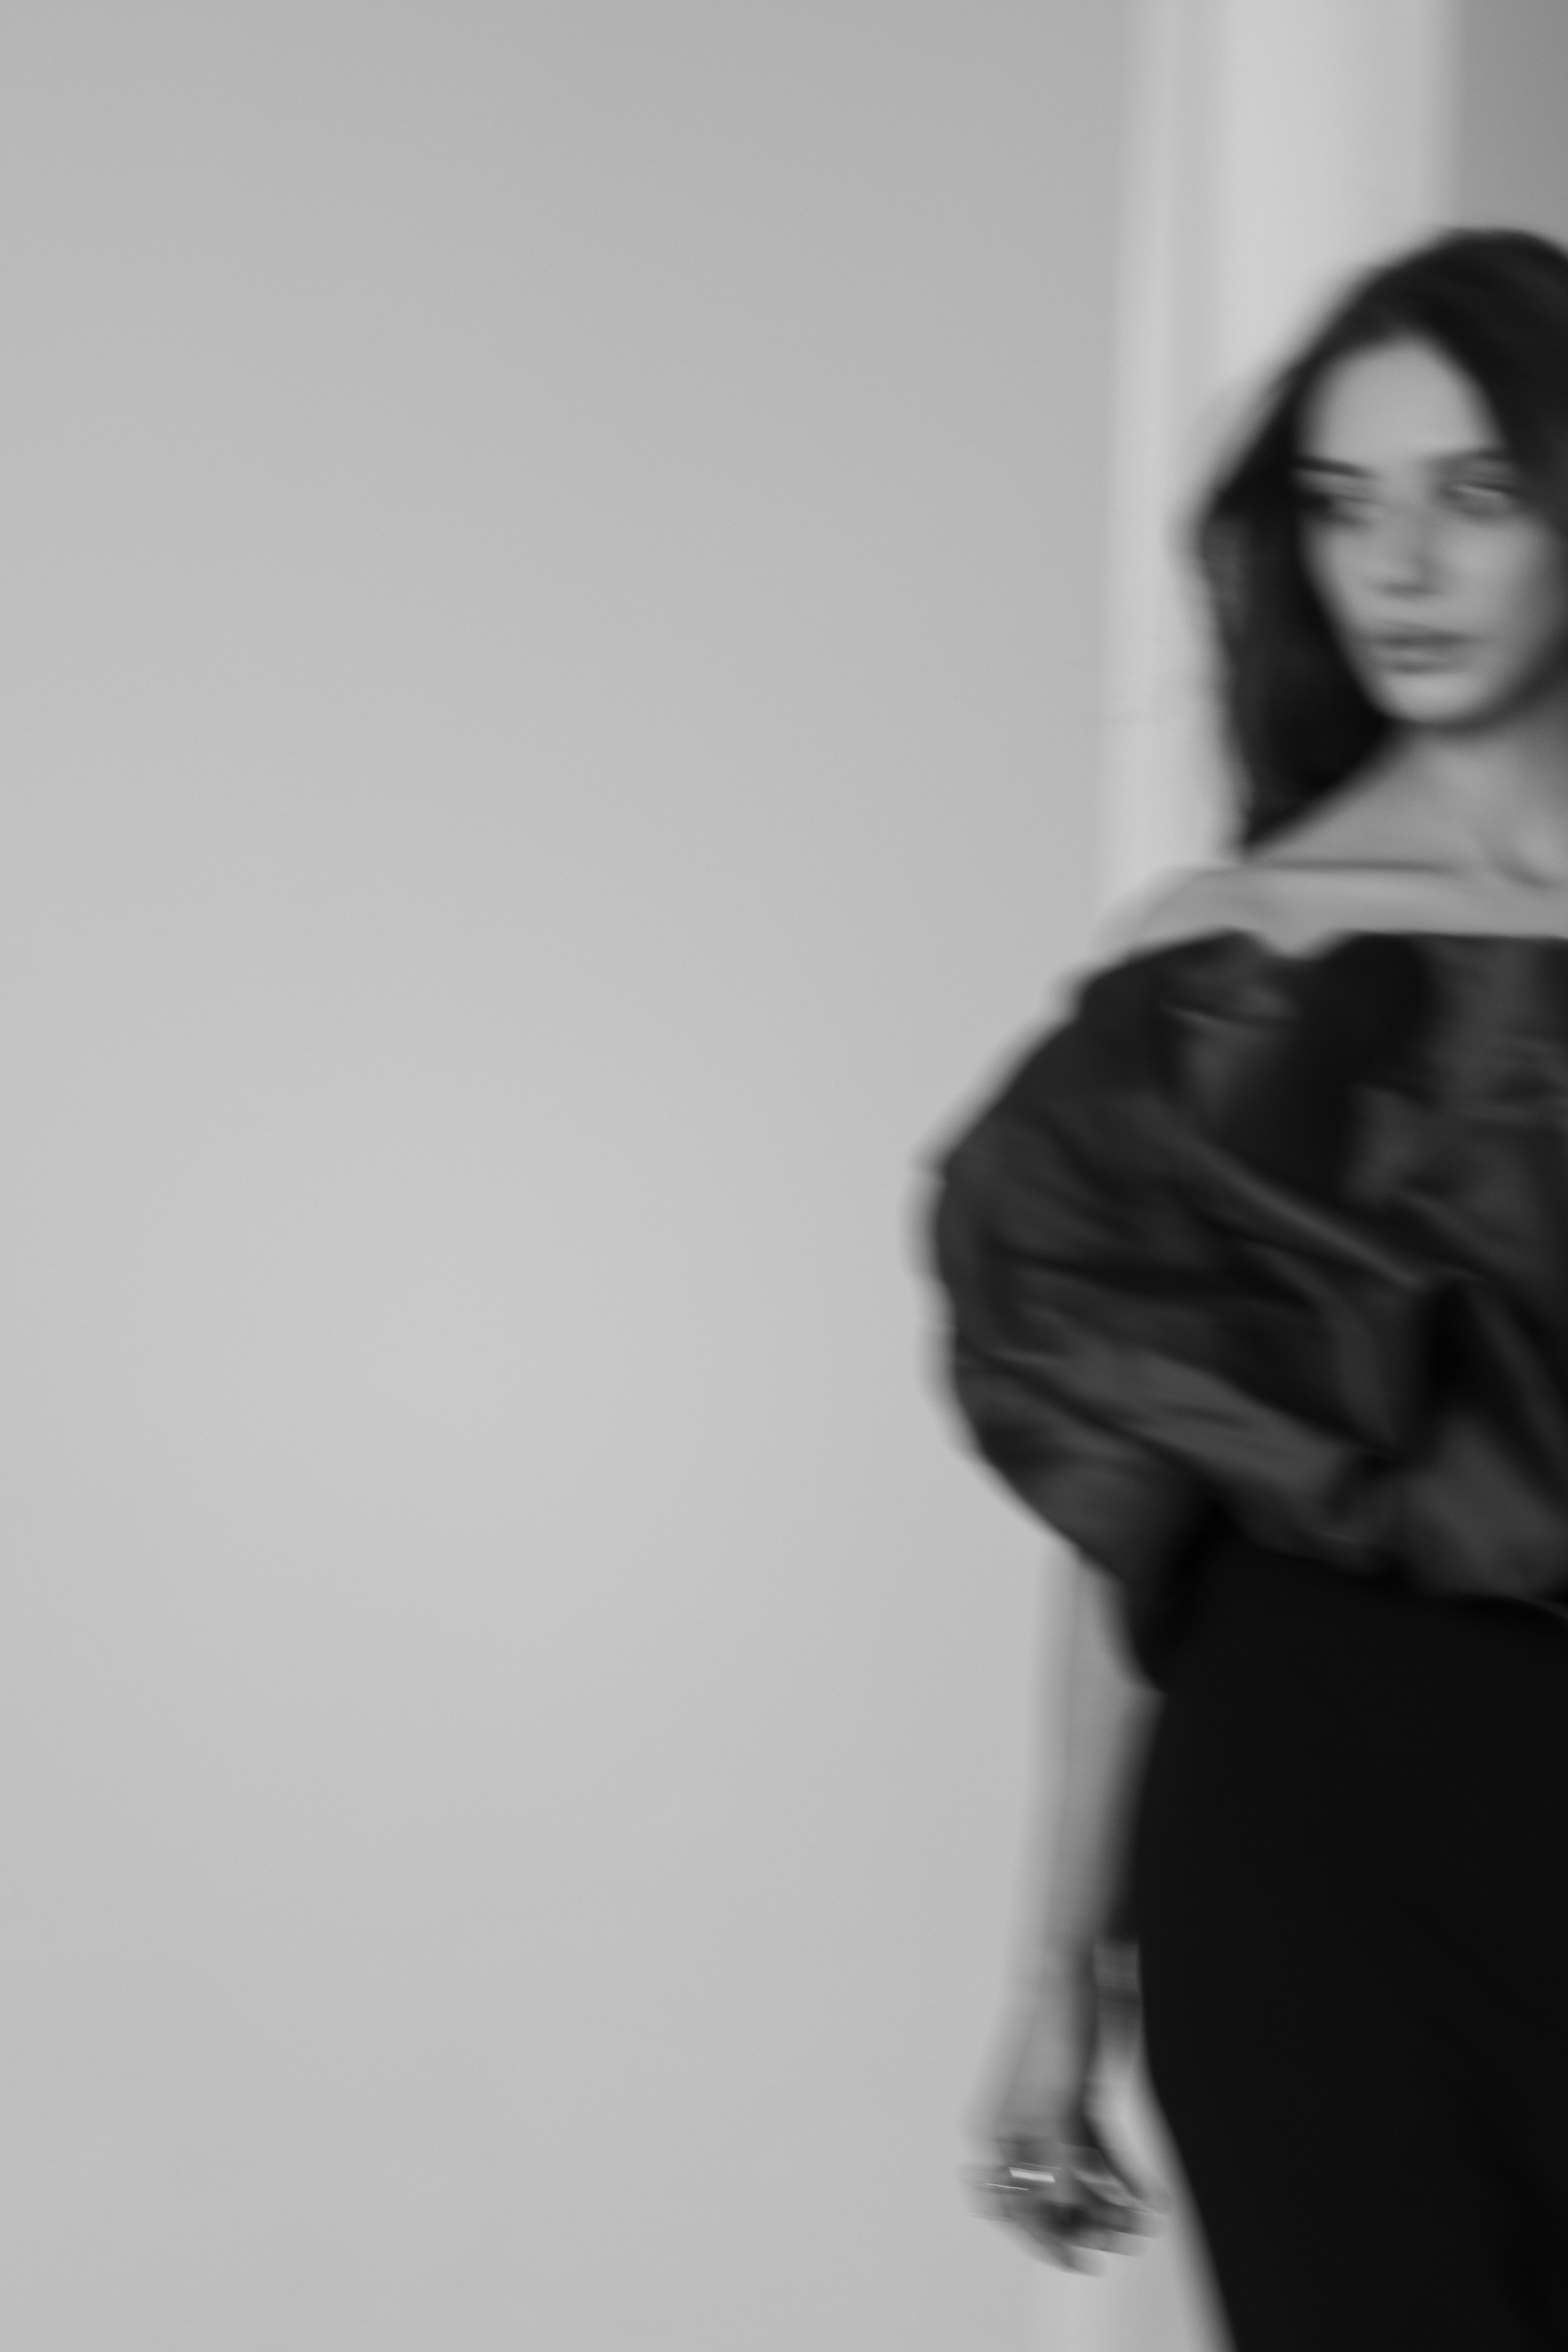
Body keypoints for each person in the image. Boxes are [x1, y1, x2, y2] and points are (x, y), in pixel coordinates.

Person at [929, 227, 1568, 2351]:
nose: (1401, 567)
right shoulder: (1212, 969)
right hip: (1315, 1842)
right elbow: (1129, 1521)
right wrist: (1056, 1977)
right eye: (1344, 501)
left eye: (1476, 493)